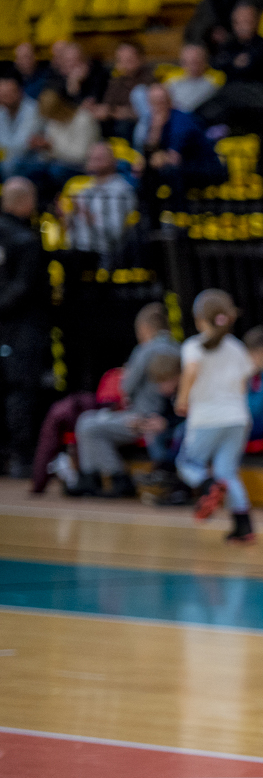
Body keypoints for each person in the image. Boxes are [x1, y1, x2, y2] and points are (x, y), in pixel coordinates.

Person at [69, 303, 181, 498]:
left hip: (141, 418)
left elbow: (126, 387)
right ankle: (98, 477)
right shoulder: (178, 348)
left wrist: (128, 372)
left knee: (87, 424)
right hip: (163, 418)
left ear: (144, 328)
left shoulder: (145, 350)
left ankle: (113, 477)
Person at [175, 289, 257, 543]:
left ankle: (208, 485)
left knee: (187, 464)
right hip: (238, 419)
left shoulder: (194, 346)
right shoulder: (237, 348)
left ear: (199, 319)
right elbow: (244, 384)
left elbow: (191, 371)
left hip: (207, 418)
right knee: (227, 472)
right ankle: (244, 526)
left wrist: (182, 398)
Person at [0, 177, 49, 478]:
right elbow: (24, 287)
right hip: (21, 328)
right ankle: (22, 458)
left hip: (10, 325)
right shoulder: (26, 240)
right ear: (26, 202)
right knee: (20, 390)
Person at [14, 90, 99, 200]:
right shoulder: (53, 122)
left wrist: (51, 147)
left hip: (80, 167)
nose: (50, 118)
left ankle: (58, 201)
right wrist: (42, 147)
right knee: (23, 165)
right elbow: (48, 155)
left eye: (52, 114)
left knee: (56, 171)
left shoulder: (83, 119)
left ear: (61, 107)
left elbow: (81, 156)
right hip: (56, 163)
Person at [64, 142, 136, 262]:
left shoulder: (121, 191)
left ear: (114, 161)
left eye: (99, 158)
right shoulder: (83, 190)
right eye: (92, 157)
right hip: (76, 252)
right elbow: (70, 232)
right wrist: (67, 217)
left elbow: (115, 235)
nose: (94, 161)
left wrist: (89, 217)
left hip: (104, 254)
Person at [95, 41, 154, 140]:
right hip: (114, 121)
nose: (125, 63)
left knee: (124, 126)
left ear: (141, 58)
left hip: (137, 126)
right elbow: (107, 105)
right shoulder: (117, 80)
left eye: (129, 59)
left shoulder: (150, 79)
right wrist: (103, 110)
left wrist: (122, 112)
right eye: (121, 59)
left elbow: (146, 112)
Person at [213, 2, 263, 87]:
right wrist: (235, 62)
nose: (242, 27)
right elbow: (217, 64)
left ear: (256, 21)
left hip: (256, 91)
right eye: (237, 22)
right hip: (230, 90)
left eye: (247, 21)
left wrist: (230, 62)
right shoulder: (228, 45)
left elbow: (249, 69)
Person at [0, 74, 41, 175]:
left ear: (20, 91)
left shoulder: (34, 110)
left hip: (32, 160)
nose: (5, 97)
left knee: (10, 165)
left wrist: (5, 150)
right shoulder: (2, 110)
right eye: (3, 94)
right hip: (8, 159)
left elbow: (23, 145)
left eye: (9, 93)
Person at [168, 44, 220, 113]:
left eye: (196, 62)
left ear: (205, 62)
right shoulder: (172, 82)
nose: (192, 67)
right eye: (188, 63)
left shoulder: (213, 84)